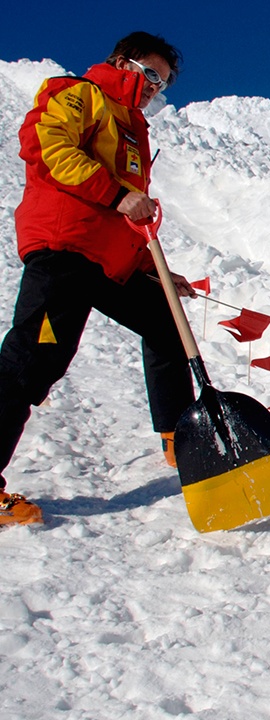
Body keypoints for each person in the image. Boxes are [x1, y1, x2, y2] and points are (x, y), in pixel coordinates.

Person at [0, 32, 198, 527]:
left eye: (164, 83)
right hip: (64, 249)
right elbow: (50, 150)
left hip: (107, 261)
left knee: (165, 321)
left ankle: (181, 437)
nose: (155, 87)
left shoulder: (133, 130)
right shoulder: (76, 94)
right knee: (31, 361)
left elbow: (126, 221)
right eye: (150, 74)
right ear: (121, 61)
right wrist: (116, 195)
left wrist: (158, 272)